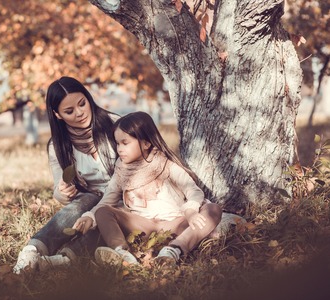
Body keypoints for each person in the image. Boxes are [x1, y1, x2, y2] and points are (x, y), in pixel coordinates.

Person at [73, 111, 222, 266]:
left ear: (146, 143)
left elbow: (193, 190)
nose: (119, 149)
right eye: (117, 143)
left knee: (213, 209)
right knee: (102, 211)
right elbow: (106, 201)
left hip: (174, 225)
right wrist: (89, 216)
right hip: (142, 228)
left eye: (125, 143)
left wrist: (190, 212)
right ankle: (122, 253)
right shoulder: (121, 171)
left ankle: (175, 249)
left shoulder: (166, 165)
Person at [13, 76, 119, 274]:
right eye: (69, 111)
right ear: (58, 114)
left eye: (82, 104)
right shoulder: (57, 146)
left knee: (104, 221)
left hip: (123, 197)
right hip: (90, 197)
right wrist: (63, 192)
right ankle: (32, 250)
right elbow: (58, 192)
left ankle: (62, 259)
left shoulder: (115, 125)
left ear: (88, 99)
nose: (79, 113)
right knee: (80, 204)